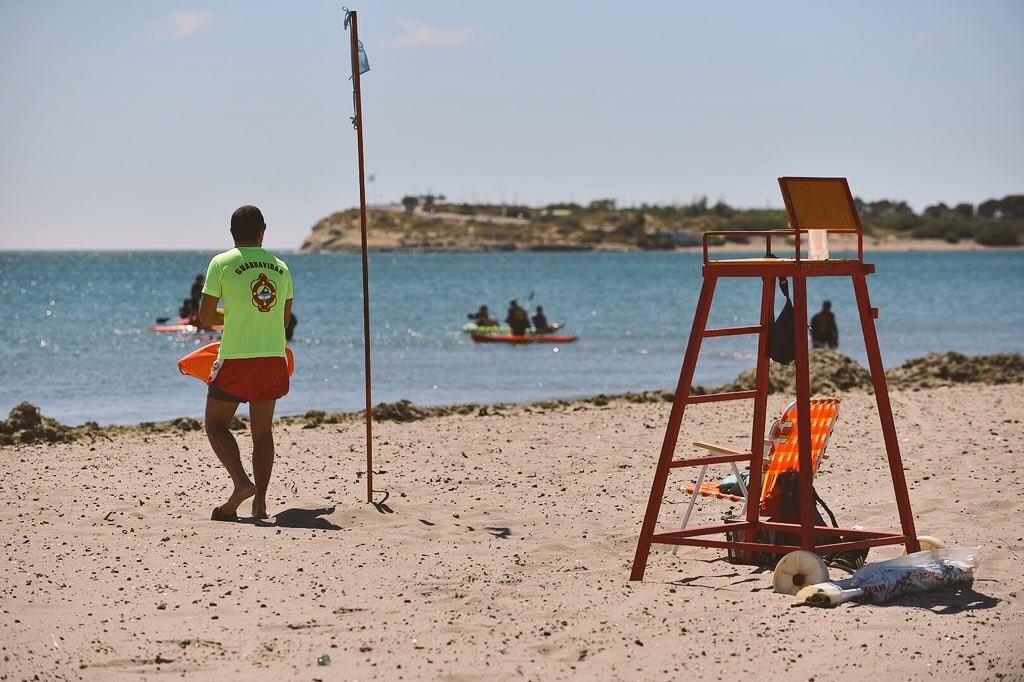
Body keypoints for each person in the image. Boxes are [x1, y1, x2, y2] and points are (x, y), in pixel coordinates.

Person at [199, 205, 294, 521]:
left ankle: (241, 483)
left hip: (238, 358)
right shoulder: (281, 268)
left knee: (215, 422)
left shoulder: (221, 263)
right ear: (262, 231)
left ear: (231, 233)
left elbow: (206, 316)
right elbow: (284, 317)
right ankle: (261, 504)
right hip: (272, 356)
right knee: (262, 433)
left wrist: (234, 314)